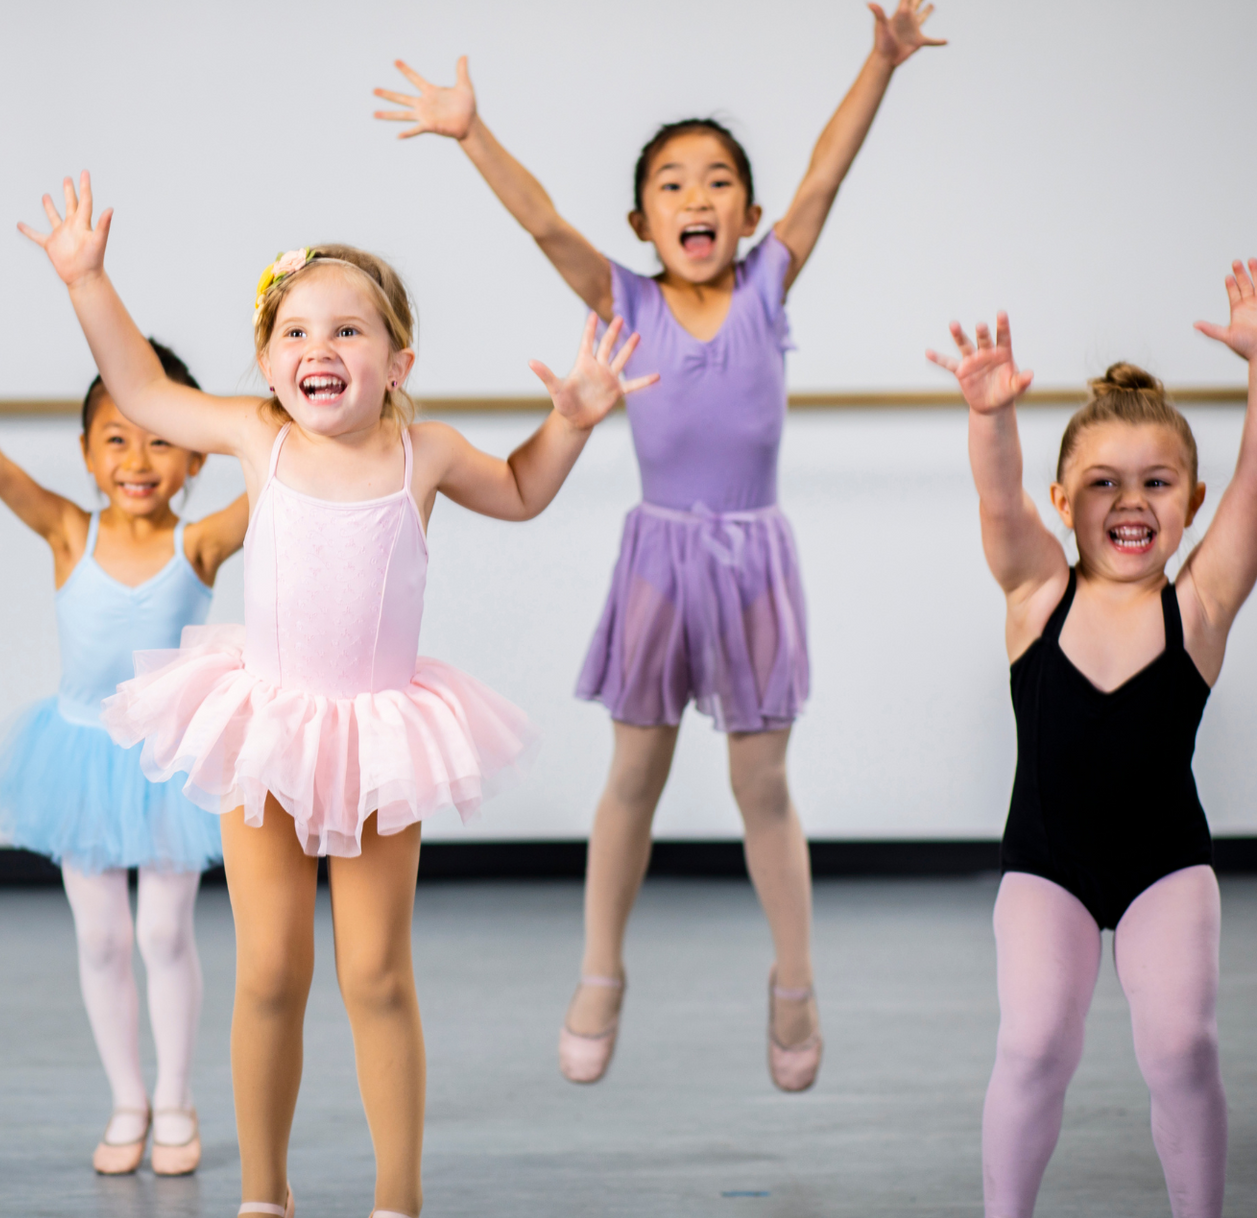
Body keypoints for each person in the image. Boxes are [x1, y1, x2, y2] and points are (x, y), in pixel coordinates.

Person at [21, 172, 654, 1218]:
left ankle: (396, 1198)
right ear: (271, 362)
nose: (320, 347)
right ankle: (263, 1194)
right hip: (266, 727)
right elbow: (140, 389)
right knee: (270, 971)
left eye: (348, 330)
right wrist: (88, 280)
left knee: (377, 975)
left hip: (377, 740)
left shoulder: (425, 452)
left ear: (399, 362)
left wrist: (573, 422)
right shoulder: (258, 437)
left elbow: (521, 490)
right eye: (297, 332)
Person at [372, 0, 946, 1090]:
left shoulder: (767, 286)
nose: (697, 197)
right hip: (659, 564)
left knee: (762, 787)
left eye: (718, 181)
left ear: (750, 215)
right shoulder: (625, 299)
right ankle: (601, 971)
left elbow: (826, 175)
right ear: (642, 221)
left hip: (755, 563)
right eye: (673, 184)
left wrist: (880, 61)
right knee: (632, 777)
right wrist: (470, 132)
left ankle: (794, 983)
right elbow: (545, 224)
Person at [928, 261, 1257, 1218]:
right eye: (1103, 484)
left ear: (1192, 502)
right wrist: (990, 416)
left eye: (1157, 483)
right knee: (1034, 1044)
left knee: (1183, 1050)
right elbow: (999, 504)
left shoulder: (1198, 607)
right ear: (1063, 500)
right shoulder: (1037, 595)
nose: (1131, 502)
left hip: (1166, 865)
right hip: (1049, 867)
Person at [0, 332, 247, 1176]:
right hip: (78, 761)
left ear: (198, 457)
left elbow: (283, 481)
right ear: (87, 452)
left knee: (164, 933)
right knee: (101, 941)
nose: (137, 460)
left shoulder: (198, 543)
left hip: (168, 764)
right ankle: (127, 1099)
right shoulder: (67, 533)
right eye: (116, 439)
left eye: (162, 440)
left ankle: (175, 1099)